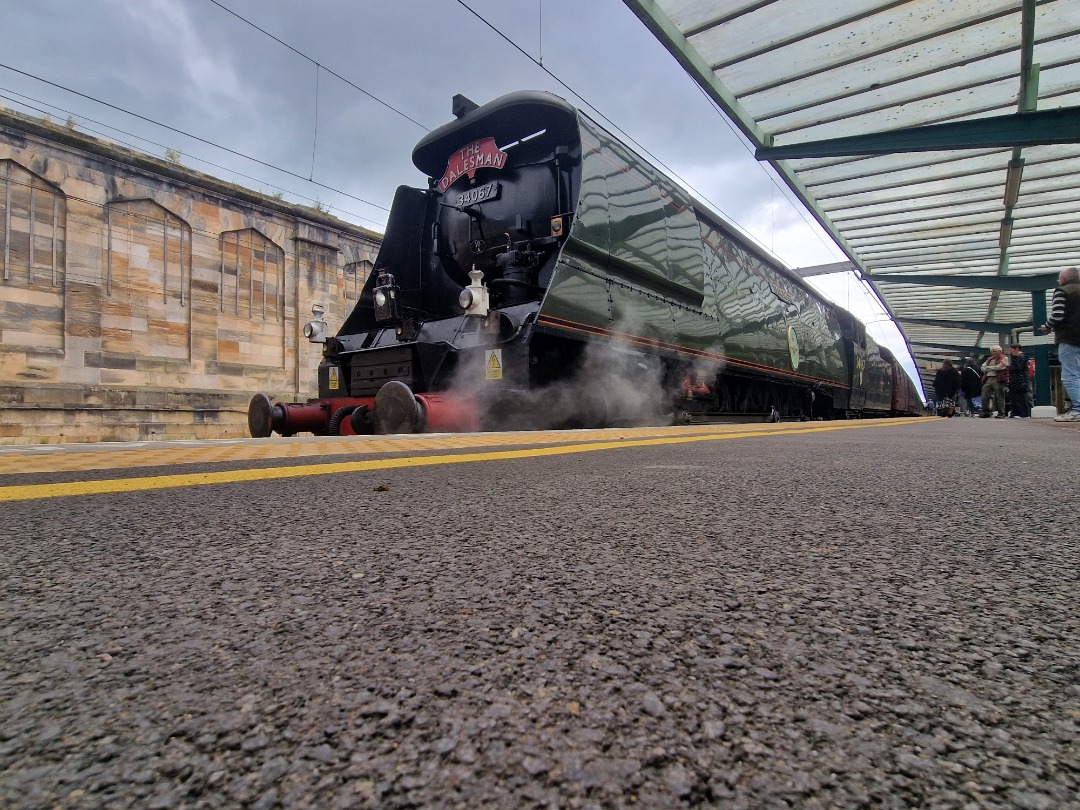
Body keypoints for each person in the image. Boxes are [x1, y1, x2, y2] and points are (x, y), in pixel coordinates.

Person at [1041, 266, 1080, 422]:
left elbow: (1057, 315)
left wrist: (1047, 327)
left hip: (1070, 338)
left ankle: (1077, 410)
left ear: (1062, 279)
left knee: (1071, 375)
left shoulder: (1062, 291)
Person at [979, 346, 1009, 418]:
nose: (993, 353)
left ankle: (1001, 413)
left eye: (995, 351)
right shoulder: (989, 359)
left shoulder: (1004, 358)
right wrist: (991, 368)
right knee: (984, 396)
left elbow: (1000, 367)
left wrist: (988, 367)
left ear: (1000, 351)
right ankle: (986, 412)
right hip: (988, 378)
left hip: (998, 379)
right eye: (992, 351)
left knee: (999, 396)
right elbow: (982, 368)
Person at [1007, 344, 1031, 418]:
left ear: (1016, 349)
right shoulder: (1019, 357)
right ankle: (1016, 412)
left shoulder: (1021, 357)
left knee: (1021, 397)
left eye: (1011, 349)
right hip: (1016, 380)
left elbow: (1018, 367)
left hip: (1020, 380)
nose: (1010, 352)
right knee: (1015, 397)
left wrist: (1010, 366)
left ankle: (1023, 413)